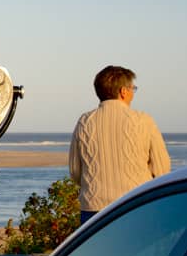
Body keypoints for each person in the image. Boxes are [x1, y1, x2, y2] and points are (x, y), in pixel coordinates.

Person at [69, 66, 171, 224]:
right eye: (133, 88)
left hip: (93, 208)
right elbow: (162, 169)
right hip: (136, 203)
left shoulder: (85, 122)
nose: (132, 93)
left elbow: (75, 171)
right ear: (123, 91)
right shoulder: (143, 120)